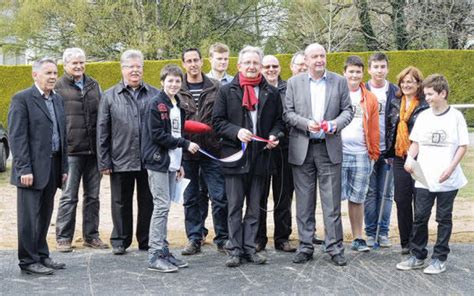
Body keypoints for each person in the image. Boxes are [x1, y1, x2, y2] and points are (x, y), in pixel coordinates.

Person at [213, 45, 284, 267]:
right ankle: (235, 250)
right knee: (234, 207)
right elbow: (217, 122)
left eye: (255, 63)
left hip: (260, 158)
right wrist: (236, 131)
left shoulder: (271, 92)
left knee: (255, 207)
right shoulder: (226, 91)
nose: (252, 67)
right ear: (239, 66)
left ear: (260, 66)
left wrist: (274, 135)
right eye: (247, 63)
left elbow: (279, 121)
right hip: (234, 158)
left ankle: (250, 248)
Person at [283, 43, 353, 266]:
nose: (319, 60)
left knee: (331, 202)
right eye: (314, 56)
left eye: (322, 55)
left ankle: (334, 247)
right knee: (304, 202)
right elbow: (288, 113)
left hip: (328, 148)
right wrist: (305, 124)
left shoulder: (339, 81)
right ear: (306, 60)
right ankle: (305, 246)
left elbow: (348, 111)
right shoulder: (294, 83)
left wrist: (333, 124)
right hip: (302, 149)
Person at [396, 74, 468, 274]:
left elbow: (462, 146)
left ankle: (439, 258)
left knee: (443, 218)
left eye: (430, 94)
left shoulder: (456, 117)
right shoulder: (424, 116)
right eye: (425, 94)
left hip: (447, 179)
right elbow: (415, 143)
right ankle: (418, 255)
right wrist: (410, 159)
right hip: (424, 179)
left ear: (442, 93)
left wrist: (451, 168)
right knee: (420, 217)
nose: (426, 98)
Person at [8, 58, 68, 275]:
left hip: (53, 166)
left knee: (45, 214)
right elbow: (17, 137)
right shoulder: (22, 99)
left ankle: (42, 255)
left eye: (55, 73)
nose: (53, 77)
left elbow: (63, 136)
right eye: (48, 73)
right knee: (29, 218)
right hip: (30, 170)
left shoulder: (58, 100)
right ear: (35, 75)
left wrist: (64, 168)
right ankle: (28, 260)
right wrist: (24, 168)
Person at [97, 49, 159, 255]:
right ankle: (120, 240)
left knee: (148, 201)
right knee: (120, 202)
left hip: (148, 159)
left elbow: (161, 128)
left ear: (143, 68)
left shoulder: (155, 94)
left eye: (138, 67)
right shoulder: (109, 96)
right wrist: (104, 161)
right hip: (120, 158)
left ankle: (146, 239)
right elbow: (102, 130)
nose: (135, 71)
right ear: (122, 69)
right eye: (130, 67)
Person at [142, 64, 200, 273]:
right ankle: (155, 254)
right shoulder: (155, 104)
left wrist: (179, 164)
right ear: (162, 82)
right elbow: (157, 135)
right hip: (157, 162)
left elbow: (178, 133)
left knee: (165, 206)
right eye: (170, 81)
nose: (174, 84)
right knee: (161, 207)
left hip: (171, 163)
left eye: (177, 81)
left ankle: (163, 250)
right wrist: (185, 145)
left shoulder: (178, 106)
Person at [55, 48, 108, 252]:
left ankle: (91, 236)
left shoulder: (94, 85)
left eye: (81, 62)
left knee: (93, 196)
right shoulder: (58, 87)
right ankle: (64, 237)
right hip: (71, 152)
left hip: (94, 152)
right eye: (74, 63)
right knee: (69, 196)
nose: (79, 66)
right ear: (65, 65)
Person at [179, 48, 228, 255]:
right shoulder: (176, 88)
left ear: (201, 61)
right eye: (189, 61)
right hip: (187, 153)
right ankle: (194, 238)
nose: (193, 64)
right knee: (191, 198)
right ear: (183, 64)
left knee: (219, 196)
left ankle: (223, 238)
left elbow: (223, 116)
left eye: (196, 60)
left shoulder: (216, 87)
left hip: (212, 152)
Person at [255, 55, 296, 253]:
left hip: (284, 149)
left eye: (274, 66)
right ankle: (258, 238)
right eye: (267, 66)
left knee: (283, 195)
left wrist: (279, 135)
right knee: (259, 195)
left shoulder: (289, 88)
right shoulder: (256, 88)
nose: (271, 69)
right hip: (261, 150)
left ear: (280, 68)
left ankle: (282, 237)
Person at [386, 66, 428, 254]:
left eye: (410, 81)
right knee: (402, 200)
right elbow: (390, 129)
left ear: (418, 84)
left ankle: (419, 242)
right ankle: (406, 242)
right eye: (403, 81)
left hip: (421, 159)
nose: (406, 84)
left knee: (420, 202)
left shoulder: (425, 105)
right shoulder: (395, 102)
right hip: (399, 158)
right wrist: (389, 153)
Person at [341, 56, 380, 252]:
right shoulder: (336, 93)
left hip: (362, 153)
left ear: (362, 74)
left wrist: (373, 152)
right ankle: (334, 237)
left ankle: (358, 237)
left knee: (357, 198)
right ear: (344, 73)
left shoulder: (370, 98)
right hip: (337, 154)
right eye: (351, 71)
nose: (354, 75)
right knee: (332, 198)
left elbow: (374, 128)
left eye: (358, 72)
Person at [364, 52, 398, 248]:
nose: (379, 70)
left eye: (382, 66)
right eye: (375, 67)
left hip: (388, 153)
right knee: (370, 194)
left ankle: (383, 232)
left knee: (386, 194)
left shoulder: (395, 91)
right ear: (369, 69)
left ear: (387, 68)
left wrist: (392, 150)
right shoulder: (362, 90)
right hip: (368, 151)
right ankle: (370, 232)